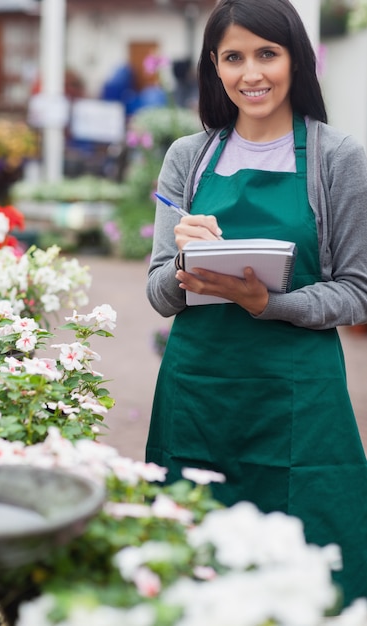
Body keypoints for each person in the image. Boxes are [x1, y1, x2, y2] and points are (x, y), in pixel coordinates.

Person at [145, 0, 367, 606]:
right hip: (199, 395)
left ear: (297, 58)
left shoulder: (336, 157)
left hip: (298, 399)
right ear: (213, 67)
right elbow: (158, 292)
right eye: (234, 57)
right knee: (191, 567)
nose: (252, 73)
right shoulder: (188, 160)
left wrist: (267, 302)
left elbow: (357, 290)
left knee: (315, 573)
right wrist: (185, 265)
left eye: (267, 53)